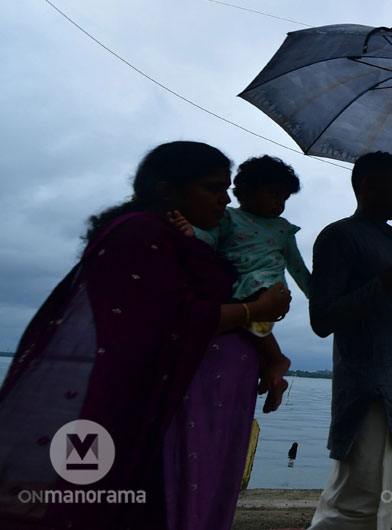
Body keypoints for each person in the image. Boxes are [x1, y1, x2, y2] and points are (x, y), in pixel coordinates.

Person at [0, 141, 292, 530]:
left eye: (226, 188)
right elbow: (171, 319)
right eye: (213, 187)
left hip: (176, 393)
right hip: (140, 398)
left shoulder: (175, 238)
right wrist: (254, 311)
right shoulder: (139, 235)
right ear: (167, 190)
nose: (225, 199)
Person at [307, 151, 392, 530]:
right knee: (355, 505)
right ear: (366, 185)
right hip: (368, 387)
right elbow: (323, 318)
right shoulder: (339, 236)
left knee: (383, 501)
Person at [174, 155, 310, 412]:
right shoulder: (227, 218)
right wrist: (190, 232)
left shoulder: (282, 228)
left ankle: (277, 359)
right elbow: (207, 240)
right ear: (244, 192)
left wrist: (316, 294)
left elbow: (297, 267)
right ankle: (272, 374)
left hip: (266, 284)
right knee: (243, 325)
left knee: (253, 302)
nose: (279, 204)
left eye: (284, 198)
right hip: (233, 287)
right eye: (273, 194)